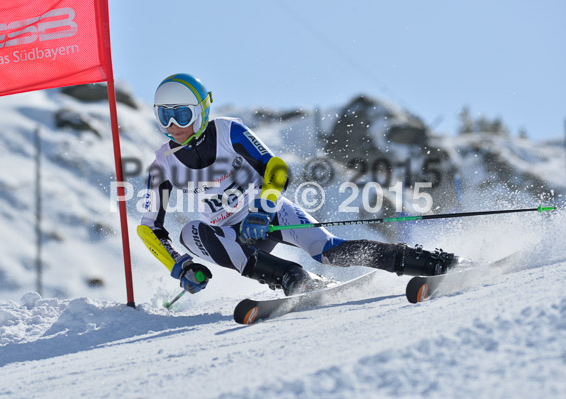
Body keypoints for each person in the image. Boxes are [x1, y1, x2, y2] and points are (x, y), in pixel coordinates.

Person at [137, 73, 459, 296]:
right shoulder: (162, 165)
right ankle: (293, 278)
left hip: (267, 217)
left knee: (330, 251)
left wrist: (263, 209)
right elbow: (149, 228)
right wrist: (180, 267)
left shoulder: (228, 132)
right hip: (228, 239)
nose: (172, 125)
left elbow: (275, 168)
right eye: (163, 116)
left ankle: (431, 262)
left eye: (181, 114)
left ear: (201, 110)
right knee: (190, 232)